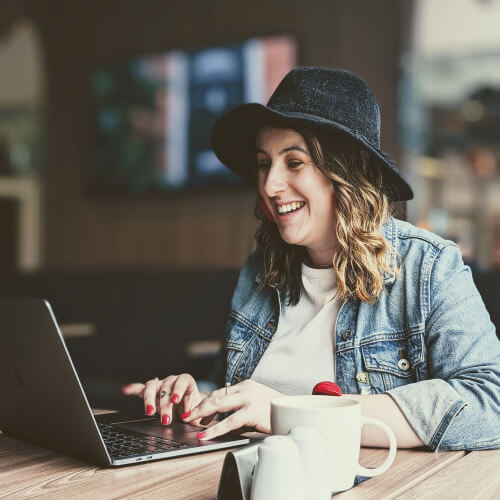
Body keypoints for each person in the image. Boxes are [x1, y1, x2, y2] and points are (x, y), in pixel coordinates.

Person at [123, 67, 500, 450]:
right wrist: (192, 396)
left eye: (294, 162)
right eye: (264, 163)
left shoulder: (429, 267)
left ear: (349, 172)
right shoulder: (259, 272)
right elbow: (238, 393)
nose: (270, 185)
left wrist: (288, 411)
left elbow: (490, 405)